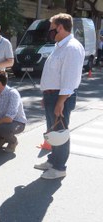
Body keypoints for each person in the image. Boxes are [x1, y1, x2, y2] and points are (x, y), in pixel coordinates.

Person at [34, 13, 85, 179]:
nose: (50, 31)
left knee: (60, 132)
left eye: (52, 28)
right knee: (53, 131)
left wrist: (60, 101)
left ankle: (59, 167)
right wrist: (46, 94)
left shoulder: (72, 47)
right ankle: (53, 160)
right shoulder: (60, 46)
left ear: (60, 28)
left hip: (61, 97)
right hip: (52, 95)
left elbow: (69, 79)